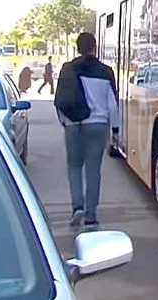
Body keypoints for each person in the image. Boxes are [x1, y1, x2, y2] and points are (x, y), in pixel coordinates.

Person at [55, 33, 119, 228]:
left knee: (74, 167)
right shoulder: (106, 72)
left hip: (73, 125)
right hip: (97, 125)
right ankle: (91, 214)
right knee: (93, 170)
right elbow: (112, 105)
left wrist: (65, 121)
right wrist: (115, 130)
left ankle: (77, 207)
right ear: (95, 47)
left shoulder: (68, 69)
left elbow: (60, 99)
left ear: (77, 48)